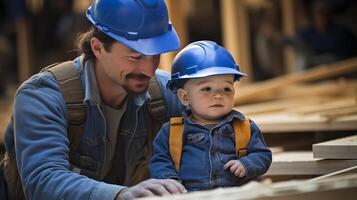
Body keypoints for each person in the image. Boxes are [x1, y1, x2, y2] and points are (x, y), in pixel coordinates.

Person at [1, 0, 187, 199]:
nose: (149, 69)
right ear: (98, 48)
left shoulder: (168, 92)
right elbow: (43, 181)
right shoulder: (41, 96)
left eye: (155, 56)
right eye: (135, 57)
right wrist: (119, 195)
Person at [149, 41, 272, 191]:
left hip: (234, 194)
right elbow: (160, 160)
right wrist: (169, 180)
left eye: (227, 89)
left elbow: (262, 154)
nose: (218, 95)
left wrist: (247, 164)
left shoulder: (244, 127)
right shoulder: (172, 131)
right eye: (207, 89)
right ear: (185, 97)